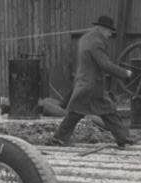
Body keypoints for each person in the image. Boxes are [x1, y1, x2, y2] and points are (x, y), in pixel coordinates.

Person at [51, 15, 134, 148]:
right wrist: (125, 73)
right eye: (109, 32)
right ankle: (123, 138)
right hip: (92, 84)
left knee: (78, 112)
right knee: (107, 110)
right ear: (102, 29)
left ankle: (60, 138)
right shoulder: (96, 42)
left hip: (85, 82)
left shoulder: (86, 38)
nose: (110, 35)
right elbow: (105, 64)